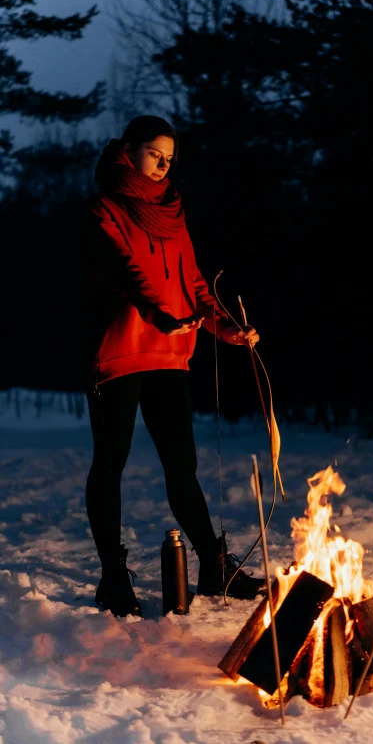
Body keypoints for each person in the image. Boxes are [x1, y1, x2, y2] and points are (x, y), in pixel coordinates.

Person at [84, 115, 265, 617]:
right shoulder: (105, 207)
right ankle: (113, 576)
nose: (163, 165)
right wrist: (157, 312)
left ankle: (213, 565)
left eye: (170, 157)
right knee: (111, 464)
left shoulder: (172, 213)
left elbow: (195, 285)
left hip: (170, 355)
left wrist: (226, 327)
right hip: (119, 352)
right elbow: (124, 270)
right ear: (128, 149)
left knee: (182, 467)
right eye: (154, 153)